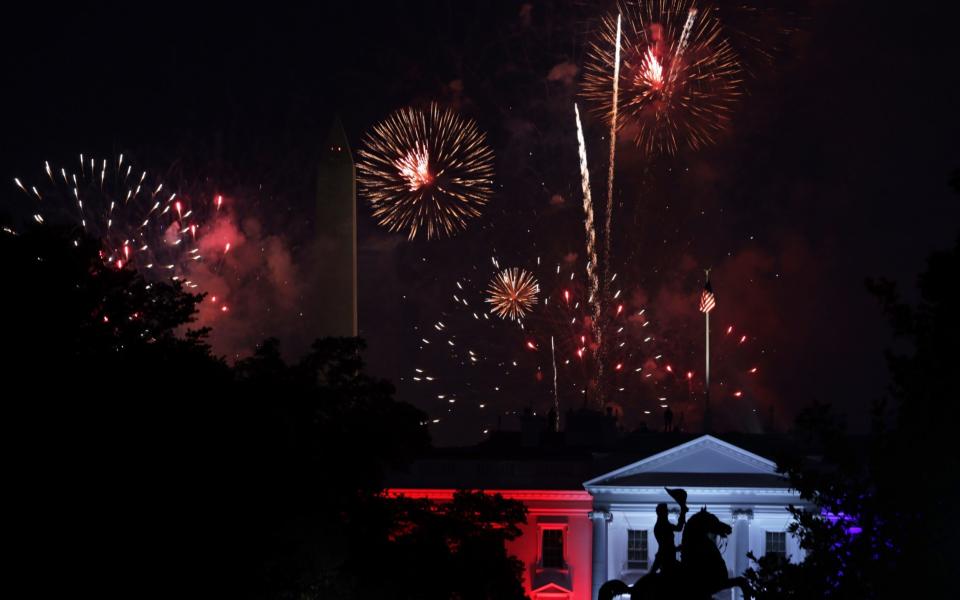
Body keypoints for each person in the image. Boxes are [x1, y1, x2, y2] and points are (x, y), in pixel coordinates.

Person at [649, 488, 688, 576]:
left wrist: (683, 512)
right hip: (665, 557)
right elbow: (666, 547)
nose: (667, 513)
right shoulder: (662, 526)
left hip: (668, 556)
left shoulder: (664, 525)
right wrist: (678, 548)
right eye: (666, 512)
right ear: (662, 513)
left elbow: (679, 528)